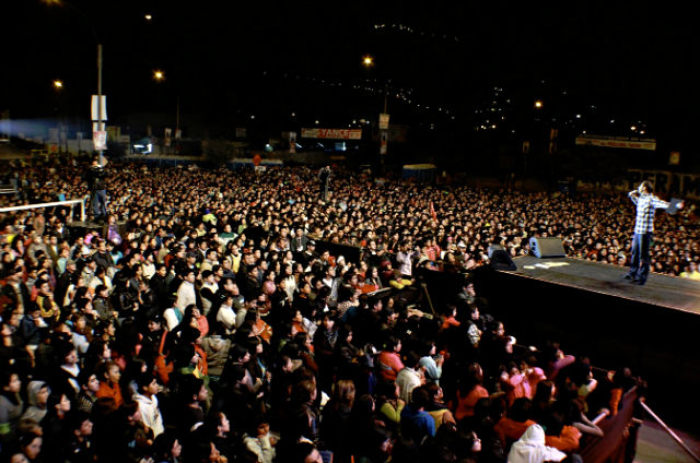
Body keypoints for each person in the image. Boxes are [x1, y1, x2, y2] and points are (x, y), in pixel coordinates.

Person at [624, 181, 682, 285]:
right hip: (637, 231)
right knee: (635, 253)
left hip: (646, 232)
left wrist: (676, 205)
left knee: (643, 256)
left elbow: (663, 204)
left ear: (645, 188)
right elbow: (634, 199)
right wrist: (633, 194)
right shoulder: (641, 198)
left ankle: (641, 278)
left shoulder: (652, 199)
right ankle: (632, 273)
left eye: (641, 186)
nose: (639, 187)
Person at [85, 156, 108, 223]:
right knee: (95, 204)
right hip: (94, 189)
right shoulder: (89, 171)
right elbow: (88, 178)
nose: (94, 164)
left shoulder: (101, 169)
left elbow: (104, 175)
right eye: (93, 163)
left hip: (101, 188)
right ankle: (96, 217)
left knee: (103, 202)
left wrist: (100, 170)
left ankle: (104, 215)